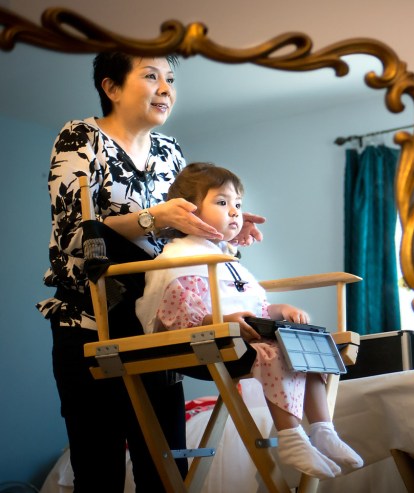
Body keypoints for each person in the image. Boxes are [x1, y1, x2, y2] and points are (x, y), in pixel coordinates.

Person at [36, 53, 264, 492]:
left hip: (156, 322)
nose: (166, 88)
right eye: (151, 76)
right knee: (98, 469)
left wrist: (226, 225)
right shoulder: (80, 137)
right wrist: (153, 218)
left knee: (165, 470)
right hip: (89, 322)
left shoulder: (171, 152)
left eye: (171, 79)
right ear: (112, 87)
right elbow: (72, 233)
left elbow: (185, 236)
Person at [135, 162, 364, 479]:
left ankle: (324, 430)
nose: (234, 212)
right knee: (274, 349)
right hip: (204, 343)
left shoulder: (226, 260)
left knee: (305, 346)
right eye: (222, 202)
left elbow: (254, 309)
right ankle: (291, 437)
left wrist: (278, 311)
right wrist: (220, 319)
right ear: (188, 210)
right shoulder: (177, 258)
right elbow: (179, 311)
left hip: (245, 335)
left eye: (238, 205)